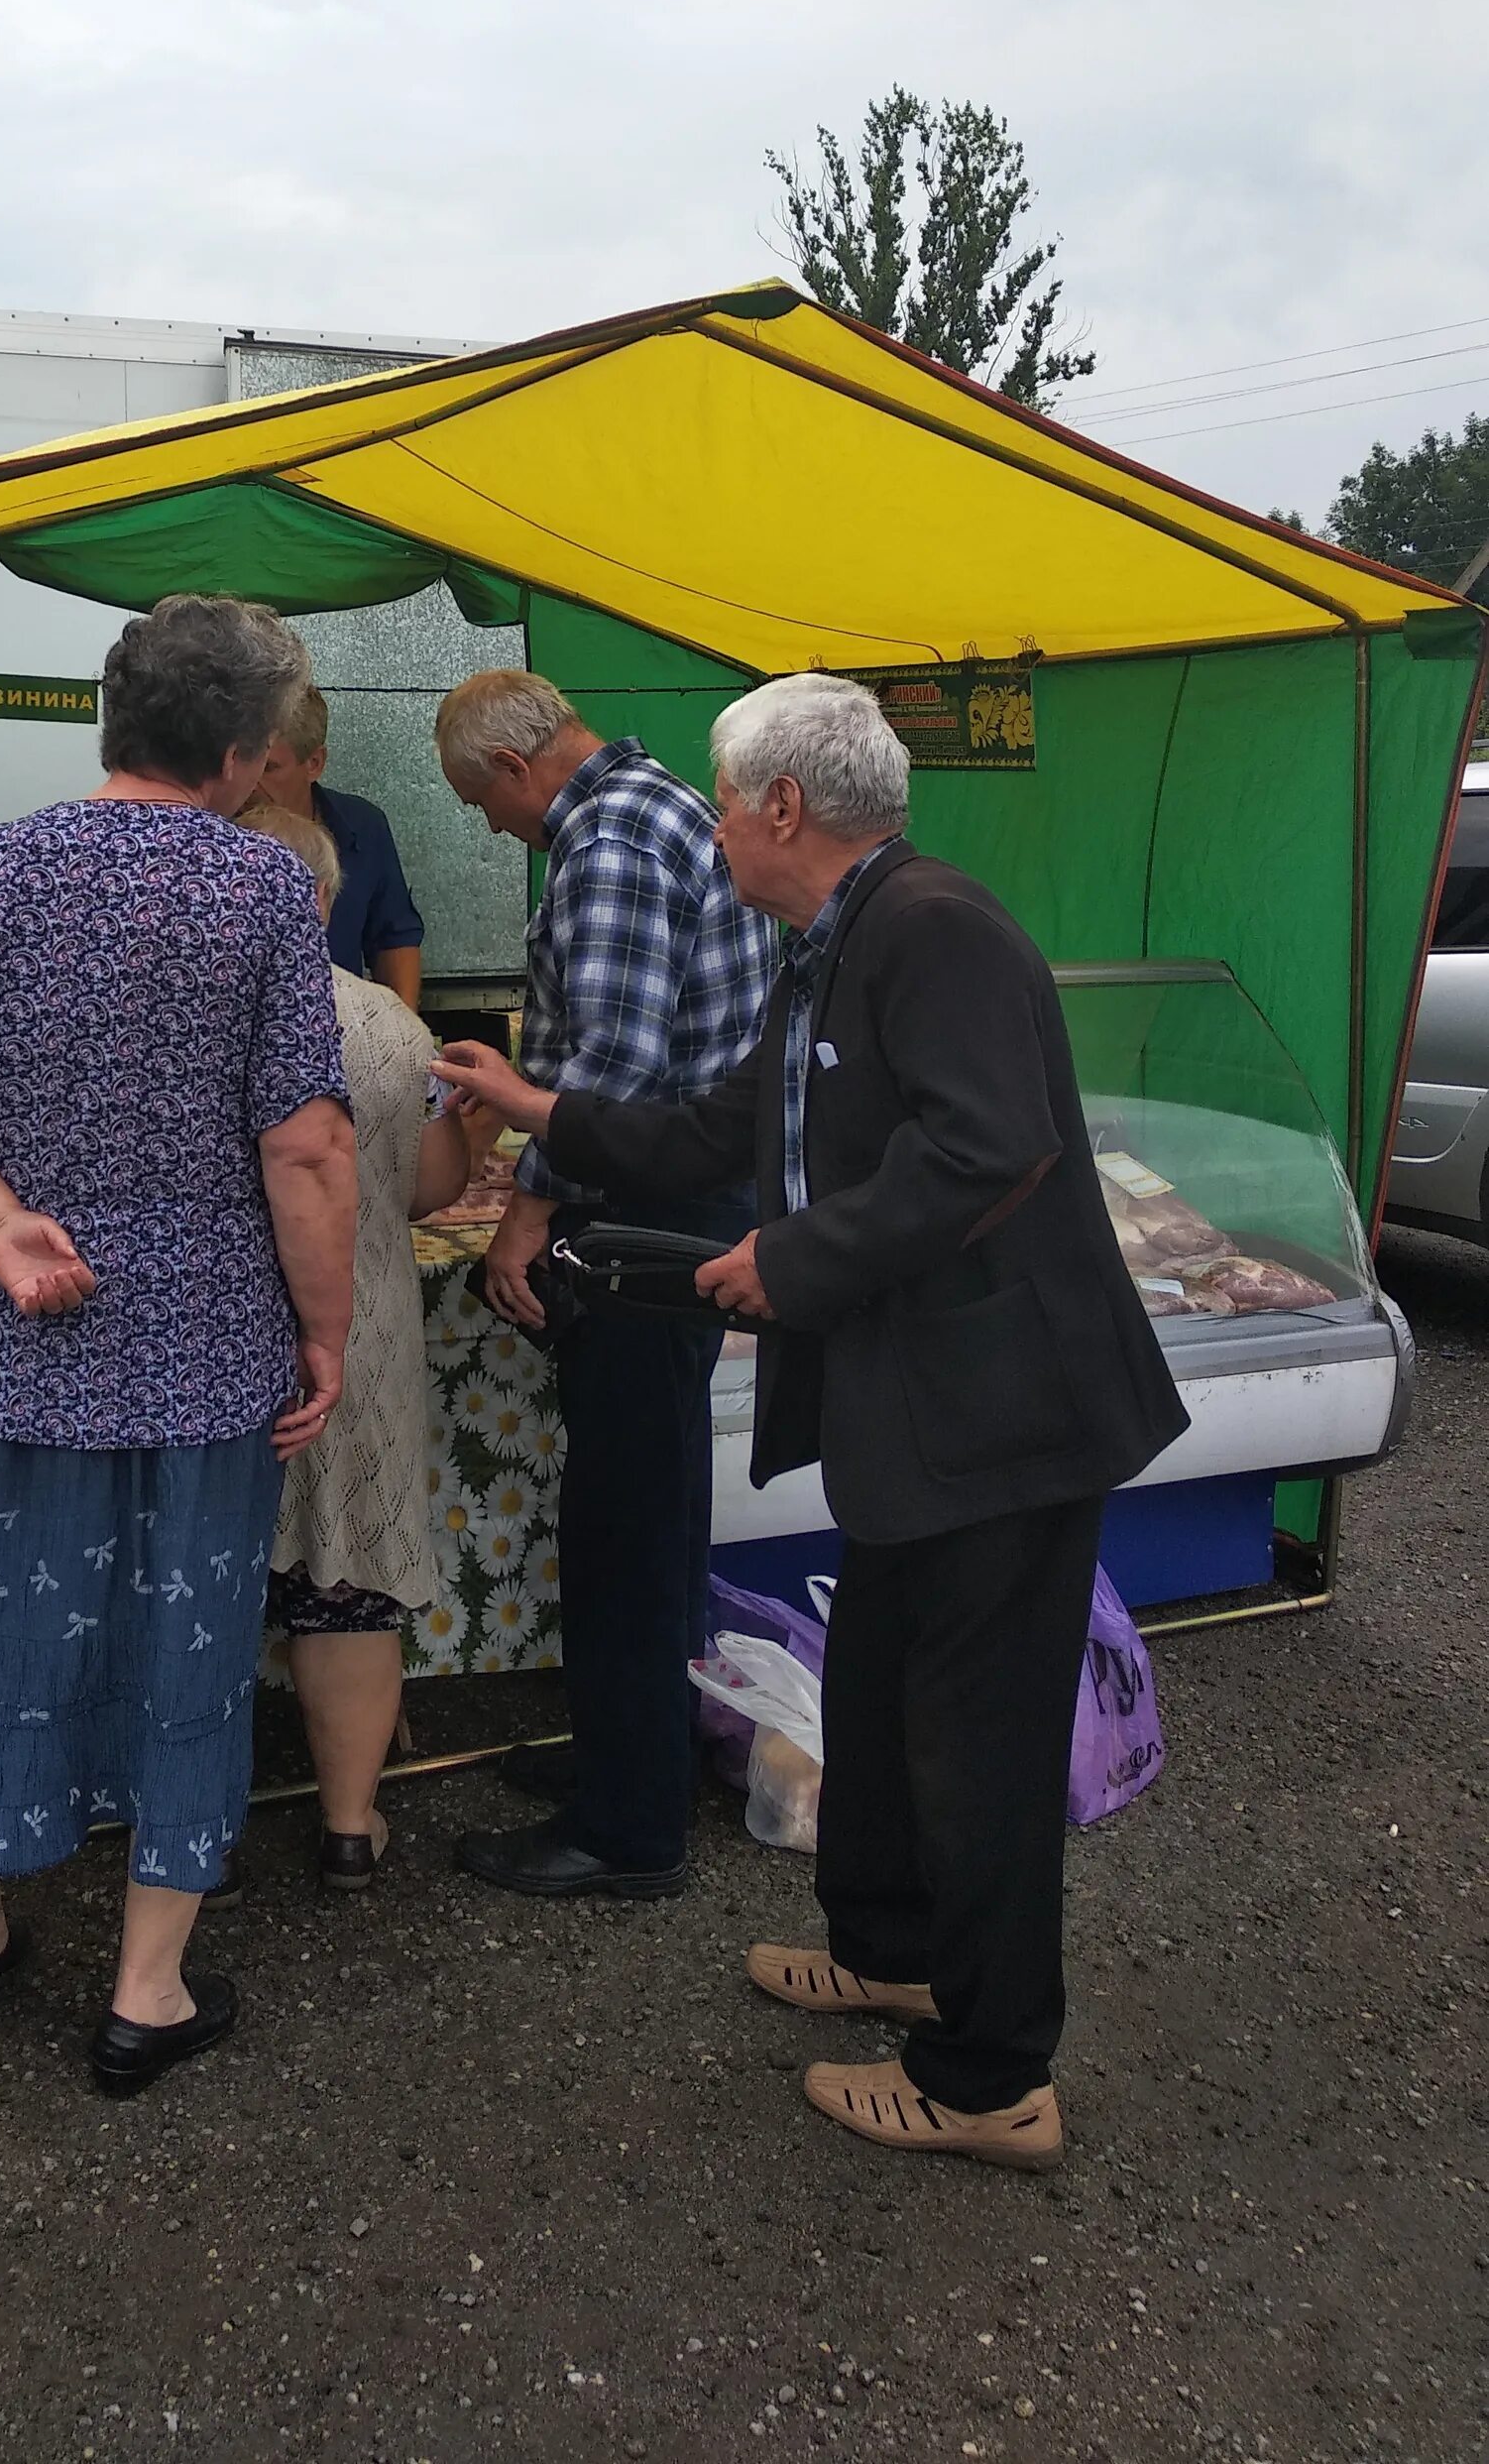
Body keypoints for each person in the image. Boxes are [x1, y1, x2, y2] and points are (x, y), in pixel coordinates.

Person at [436, 672, 1188, 2172]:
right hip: (921, 1410)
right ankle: (890, 1949)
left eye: (722, 799)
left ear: (782, 805)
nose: (710, 826)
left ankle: (987, 2083)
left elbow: (995, 1148)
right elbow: (720, 1127)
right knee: (889, 1700)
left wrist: (791, 1260)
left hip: (1006, 1415)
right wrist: (536, 1109)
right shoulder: (826, 944)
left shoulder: (933, 931)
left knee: (974, 1744)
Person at [0, 594, 356, 2098]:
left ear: (110, 720)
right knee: (179, 1650)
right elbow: (309, 1150)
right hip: (196, 1367)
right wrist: (323, 1332)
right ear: (250, 753)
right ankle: (144, 1993)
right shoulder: (258, 891)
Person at [431, 672, 776, 1900]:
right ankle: (640, 1750)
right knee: (663, 1499)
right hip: (691, 1195)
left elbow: (614, 1078)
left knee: (625, 1521)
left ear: (519, 769)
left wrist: (521, 1219)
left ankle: (628, 1831)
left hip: (647, 1212)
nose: (489, 826)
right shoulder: (658, 804)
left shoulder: (612, 838)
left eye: (481, 801)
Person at [239, 803, 482, 1884]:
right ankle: (348, 1828)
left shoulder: (191, 1013)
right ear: (327, 902)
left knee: (204, 1585)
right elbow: (434, 1190)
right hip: (363, 1333)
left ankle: (191, 1834)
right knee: (346, 1586)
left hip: (218, 1340)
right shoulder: (390, 1023)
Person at [257, 682, 425, 1006]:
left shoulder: (362, 826)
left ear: (314, 763)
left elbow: (394, 938)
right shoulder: (216, 830)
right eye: (242, 762)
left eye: (269, 768)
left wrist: (404, 1029)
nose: (251, 782)